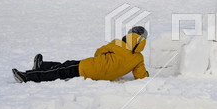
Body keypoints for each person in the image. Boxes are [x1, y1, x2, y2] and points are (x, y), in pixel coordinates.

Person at [12, 26, 149, 83]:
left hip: (91, 67)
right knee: (65, 66)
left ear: (130, 34)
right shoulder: (138, 58)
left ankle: (28, 77)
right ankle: (42, 66)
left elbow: (99, 52)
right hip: (103, 77)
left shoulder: (118, 43)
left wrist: (101, 61)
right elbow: (141, 76)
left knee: (61, 71)